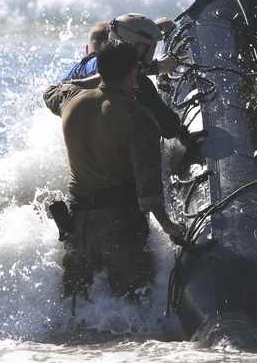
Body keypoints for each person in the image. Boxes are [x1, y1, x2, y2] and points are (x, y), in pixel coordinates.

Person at [59, 39, 184, 300]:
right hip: (120, 222)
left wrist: (96, 79)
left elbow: (54, 89)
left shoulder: (70, 102)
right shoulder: (137, 116)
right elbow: (147, 182)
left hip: (76, 220)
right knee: (132, 298)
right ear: (132, 73)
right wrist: (167, 225)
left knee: (76, 301)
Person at [44, 14, 185, 140]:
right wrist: (155, 66)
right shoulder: (132, 80)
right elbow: (170, 128)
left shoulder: (74, 71)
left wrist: (151, 31)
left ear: (87, 49)